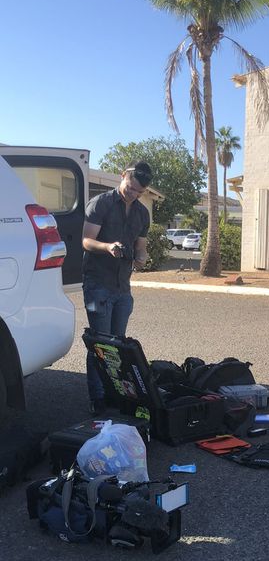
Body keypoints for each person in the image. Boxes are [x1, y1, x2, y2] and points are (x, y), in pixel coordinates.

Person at [82, 160, 152, 413]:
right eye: (130, 187)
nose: (132, 194)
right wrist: (107, 246)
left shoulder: (142, 214)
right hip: (97, 284)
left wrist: (142, 258)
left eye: (138, 192)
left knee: (118, 347)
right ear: (122, 176)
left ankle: (115, 394)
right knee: (100, 344)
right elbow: (86, 241)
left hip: (123, 289)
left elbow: (140, 248)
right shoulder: (101, 203)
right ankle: (98, 399)